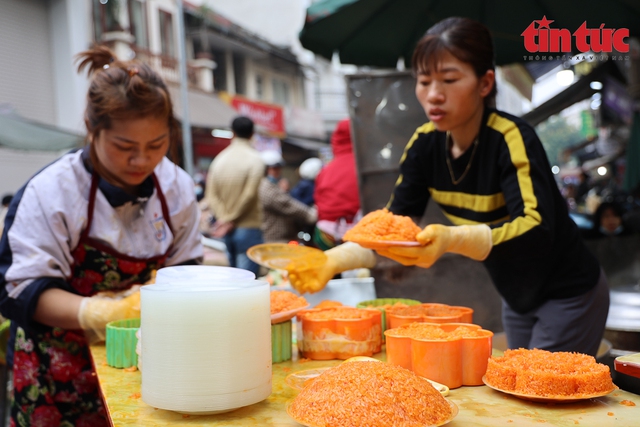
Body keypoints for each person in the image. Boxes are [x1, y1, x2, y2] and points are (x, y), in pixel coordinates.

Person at [375, 17, 608, 357]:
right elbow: (393, 226)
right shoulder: (424, 144)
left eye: (450, 79)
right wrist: (334, 261)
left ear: (485, 84)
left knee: (543, 394)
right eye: (424, 81)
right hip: (515, 294)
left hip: (568, 292)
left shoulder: (511, 138)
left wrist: (453, 238)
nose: (434, 95)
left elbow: (536, 229)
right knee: (520, 392)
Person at [0, 45, 203, 425]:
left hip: (144, 365)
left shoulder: (176, 187)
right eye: (124, 147)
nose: (141, 161)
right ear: (92, 131)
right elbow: (20, 290)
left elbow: (186, 266)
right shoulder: (52, 192)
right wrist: (104, 311)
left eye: (157, 145)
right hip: (55, 373)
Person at [204, 116, 264, 275]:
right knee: (248, 283)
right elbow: (249, 195)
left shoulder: (219, 160)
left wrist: (224, 219)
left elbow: (211, 195)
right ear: (252, 134)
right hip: (248, 227)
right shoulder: (256, 159)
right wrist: (231, 219)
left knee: (235, 279)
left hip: (226, 229)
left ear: (232, 133)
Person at [313, 119, 361, 250]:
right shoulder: (364, 167)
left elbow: (318, 201)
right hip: (357, 234)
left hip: (326, 235)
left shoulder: (325, 170)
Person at [259, 150, 317, 243]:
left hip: (284, 237)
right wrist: (310, 215)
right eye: (274, 168)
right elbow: (286, 205)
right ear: (265, 169)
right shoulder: (265, 187)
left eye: (278, 168)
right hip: (275, 239)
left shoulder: (274, 185)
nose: (277, 171)